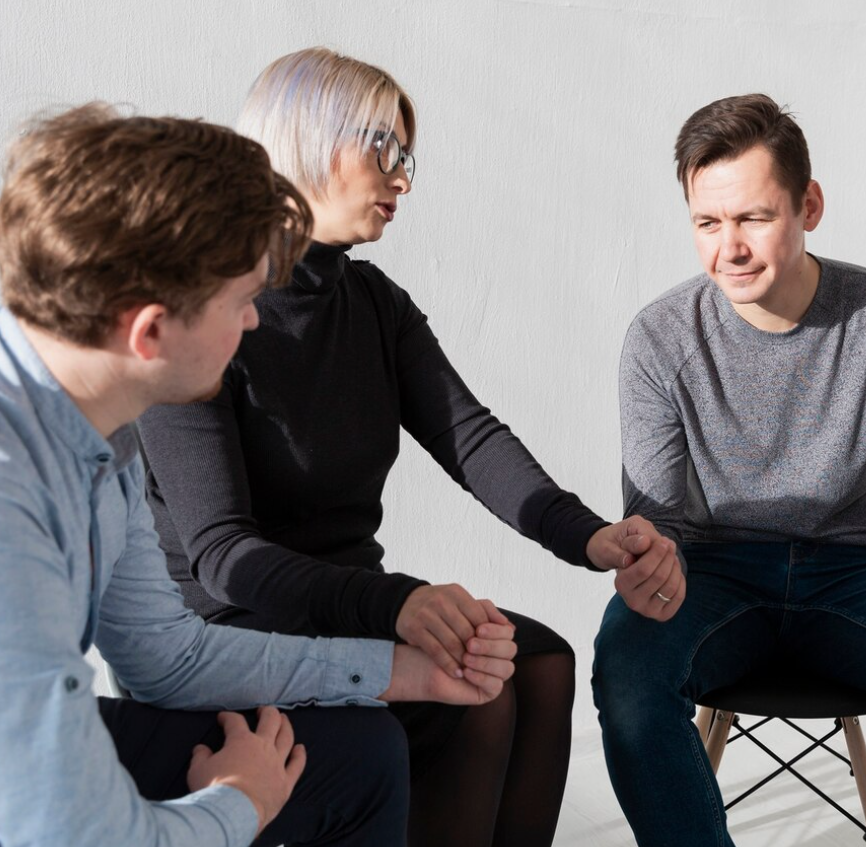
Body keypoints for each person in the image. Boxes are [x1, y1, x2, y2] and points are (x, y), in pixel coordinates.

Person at [0, 104, 516, 847]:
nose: (253, 324)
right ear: (150, 331)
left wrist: (402, 673)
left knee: (361, 754)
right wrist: (238, 802)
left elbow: (165, 657)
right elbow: (79, 836)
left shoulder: (91, 413)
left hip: (0, 767)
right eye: (243, 301)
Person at [136, 47, 671, 847]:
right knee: (480, 690)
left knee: (541, 662)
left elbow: (470, 437)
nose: (404, 179)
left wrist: (589, 537)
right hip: (237, 627)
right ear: (305, 142)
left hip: (350, 599)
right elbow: (223, 556)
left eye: (406, 155)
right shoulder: (201, 314)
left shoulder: (372, 302)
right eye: (383, 149)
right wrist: (400, 604)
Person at [591, 93, 866, 847]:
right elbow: (658, 521)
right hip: (713, 573)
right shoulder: (660, 339)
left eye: (754, 217)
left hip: (858, 573)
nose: (731, 247)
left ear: (808, 205)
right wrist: (645, 556)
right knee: (625, 668)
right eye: (707, 223)